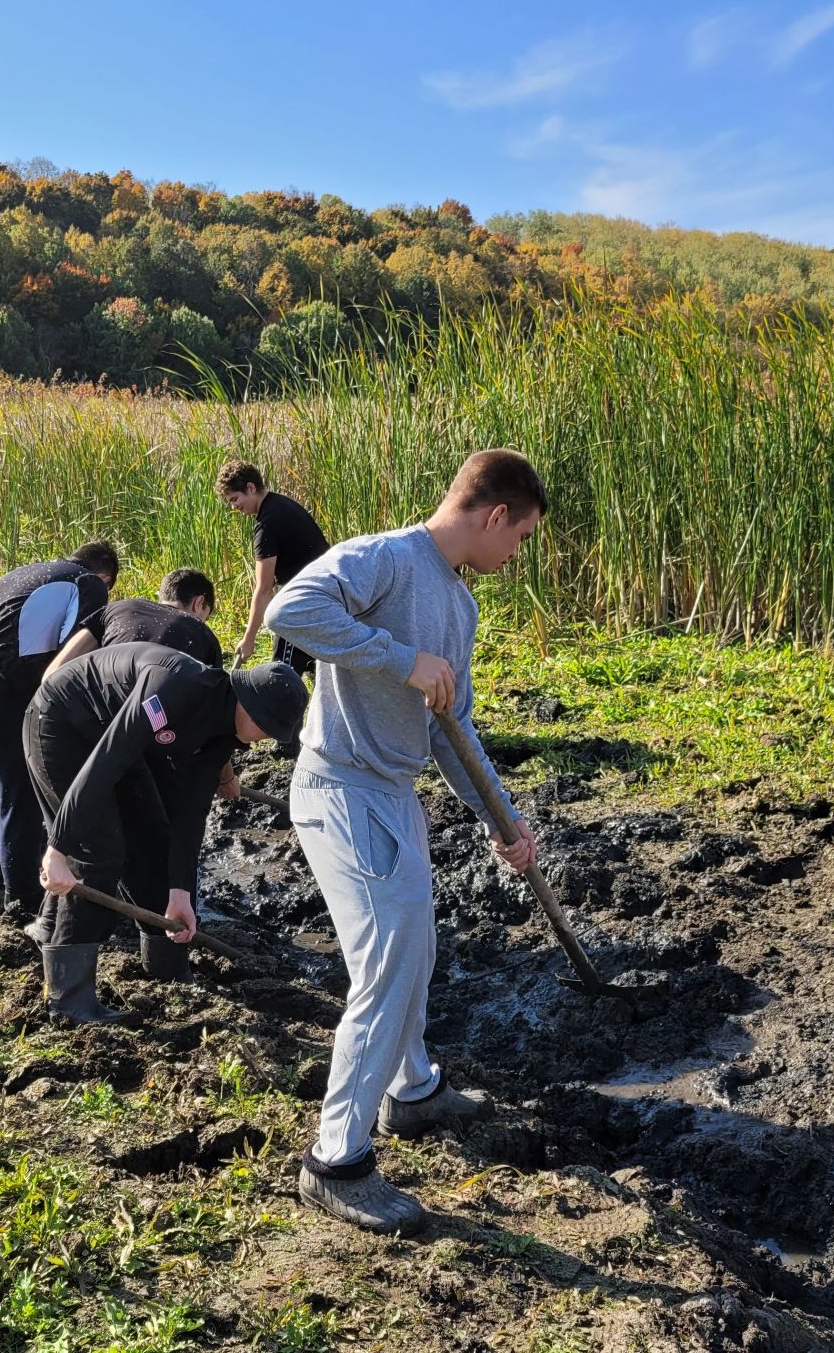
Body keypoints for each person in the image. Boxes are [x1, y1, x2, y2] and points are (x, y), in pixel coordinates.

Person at [265, 448, 547, 1236]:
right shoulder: (384, 558)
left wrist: (504, 819)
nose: (516, 555)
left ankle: (413, 1092)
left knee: (413, 948)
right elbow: (292, 611)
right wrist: (399, 659)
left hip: (393, 795)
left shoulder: (459, 608)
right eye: (520, 539)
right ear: (495, 517)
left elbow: (450, 730)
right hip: (340, 786)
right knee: (389, 955)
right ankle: (336, 1162)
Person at [25, 646, 307, 1022]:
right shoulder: (175, 686)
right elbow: (107, 759)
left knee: (154, 840)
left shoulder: (223, 734)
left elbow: (190, 815)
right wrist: (59, 848)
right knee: (98, 852)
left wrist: (181, 894)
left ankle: (167, 968)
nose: (264, 740)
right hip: (62, 722)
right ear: (248, 706)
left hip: (117, 741)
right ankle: (69, 999)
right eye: (266, 729)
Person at [0, 542, 119, 915]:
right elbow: (73, 655)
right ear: (104, 576)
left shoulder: (27, 572)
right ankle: (21, 898)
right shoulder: (89, 584)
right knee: (19, 793)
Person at [216, 461, 329, 675]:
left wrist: (249, 639)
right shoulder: (281, 505)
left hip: (308, 601)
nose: (234, 507)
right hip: (326, 595)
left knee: (282, 674)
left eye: (234, 499)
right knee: (319, 668)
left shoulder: (268, 523)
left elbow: (264, 588)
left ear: (250, 488)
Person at [44, 568, 222, 677]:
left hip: (92, 705)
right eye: (204, 617)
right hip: (151, 723)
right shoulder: (203, 635)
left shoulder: (118, 608)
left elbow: (55, 671)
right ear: (199, 603)